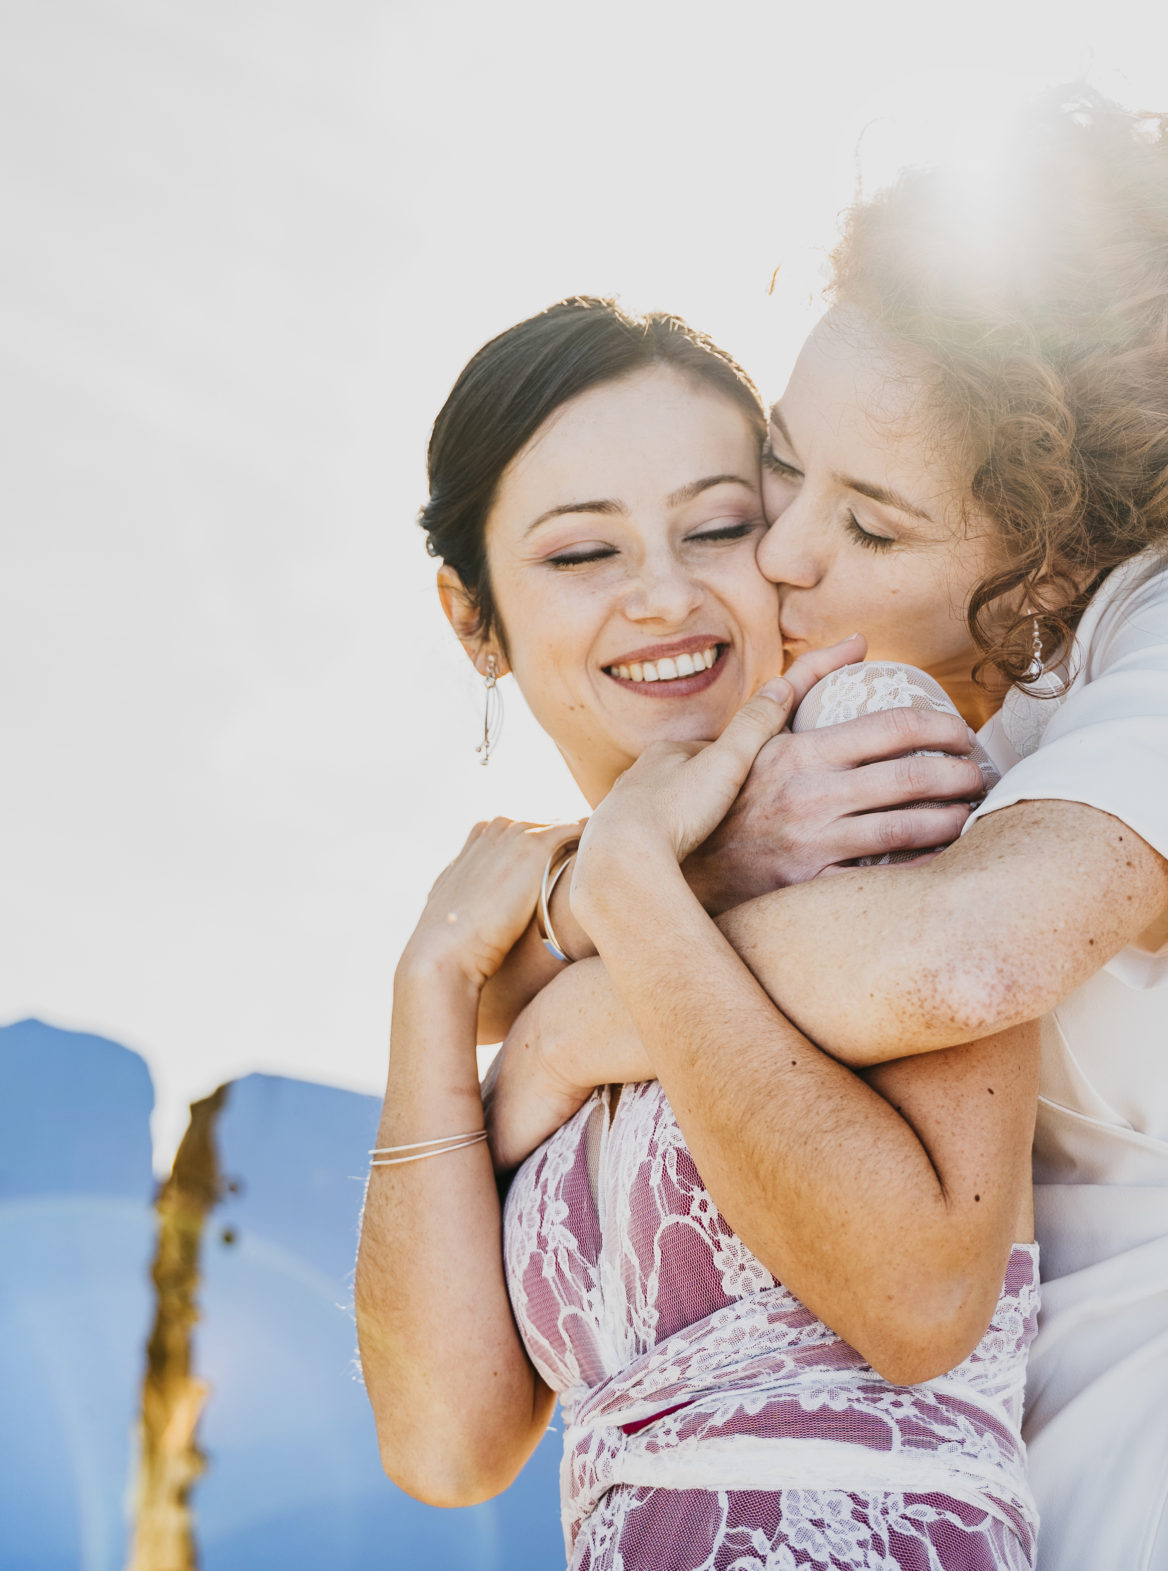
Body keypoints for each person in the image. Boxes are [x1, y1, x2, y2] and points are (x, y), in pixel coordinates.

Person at [492, 91, 1168, 1571]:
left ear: (1054, 558)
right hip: (990, 1479)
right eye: (789, 461)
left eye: (874, 523)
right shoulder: (888, 706)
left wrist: (584, 991)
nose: (785, 551)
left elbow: (964, 956)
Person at [353, 296, 1045, 1571]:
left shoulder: (865, 752)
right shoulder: (536, 933)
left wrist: (625, 897)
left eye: (718, 526)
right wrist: (431, 981)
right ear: (472, 617)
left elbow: (923, 1302)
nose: (664, 596)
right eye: (581, 556)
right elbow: (447, 1444)